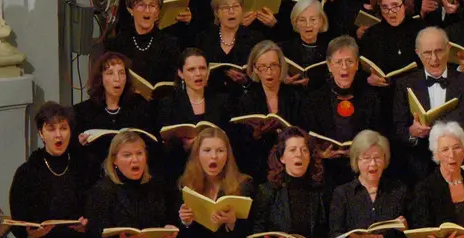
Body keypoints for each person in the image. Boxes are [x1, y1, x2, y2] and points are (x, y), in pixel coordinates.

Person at [10, 101, 90, 238]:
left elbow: (95, 206)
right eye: (51, 129)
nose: (58, 135)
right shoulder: (27, 173)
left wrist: (87, 224)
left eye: (63, 128)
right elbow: (19, 219)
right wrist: (30, 233)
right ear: (41, 133)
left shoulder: (84, 166)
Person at [305, 36, 386, 185]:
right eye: (338, 62)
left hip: (362, 170)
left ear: (357, 65)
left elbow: (379, 136)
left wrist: (361, 153)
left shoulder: (371, 98)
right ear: (329, 66)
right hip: (326, 171)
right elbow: (308, 138)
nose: (344, 67)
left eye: (349, 61)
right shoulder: (314, 100)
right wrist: (321, 154)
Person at [392, 26, 464, 181]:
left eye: (439, 51)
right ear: (417, 53)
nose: (434, 59)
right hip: (419, 166)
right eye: (427, 53)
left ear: (449, 49)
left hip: (460, 164)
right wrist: (412, 132)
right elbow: (398, 129)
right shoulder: (404, 84)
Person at [74, 52, 154, 186]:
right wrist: (79, 144)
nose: (117, 79)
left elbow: (151, 142)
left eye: (121, 73)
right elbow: (76, 155)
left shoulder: (139, 107)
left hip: (132, 178)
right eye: (110, 73)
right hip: (97, 180)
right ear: (101, 79)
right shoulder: (83, 111)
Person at [153, 48, 234, 180]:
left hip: (217, 168)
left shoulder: (222, 101)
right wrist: (184, 146)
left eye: (202, 68)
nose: (198, 74)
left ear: (208, 71)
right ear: (181, 73)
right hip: (181, 168)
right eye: (191, 70)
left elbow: (230, 136)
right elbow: (163, 144)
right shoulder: (169, 104)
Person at [233, 41, 306, 182]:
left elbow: (304, 130)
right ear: (254, 69)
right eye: (262, 67)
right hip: (258, 165)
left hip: (292, 164)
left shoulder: (295, 97)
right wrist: (256, 135)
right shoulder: (246, 100)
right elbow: (240, 142)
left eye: (273, 65)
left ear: (281, 67)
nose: (269, 71)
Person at [104, 0, 182, 86]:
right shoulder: (116, 45)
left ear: (158, 13)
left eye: (152, 5)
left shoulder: (170, 44)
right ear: (130, 10)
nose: (147, 10)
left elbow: (172, 84)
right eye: (141, 5)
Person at [194, 0, 258, 90]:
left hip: (244, 100)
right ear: (216, 12)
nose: (231, 11)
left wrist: (246, 82)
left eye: (235, 6)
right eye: (225, 8)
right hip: (210, 98)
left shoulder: (254, 39)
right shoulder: (203, 39)